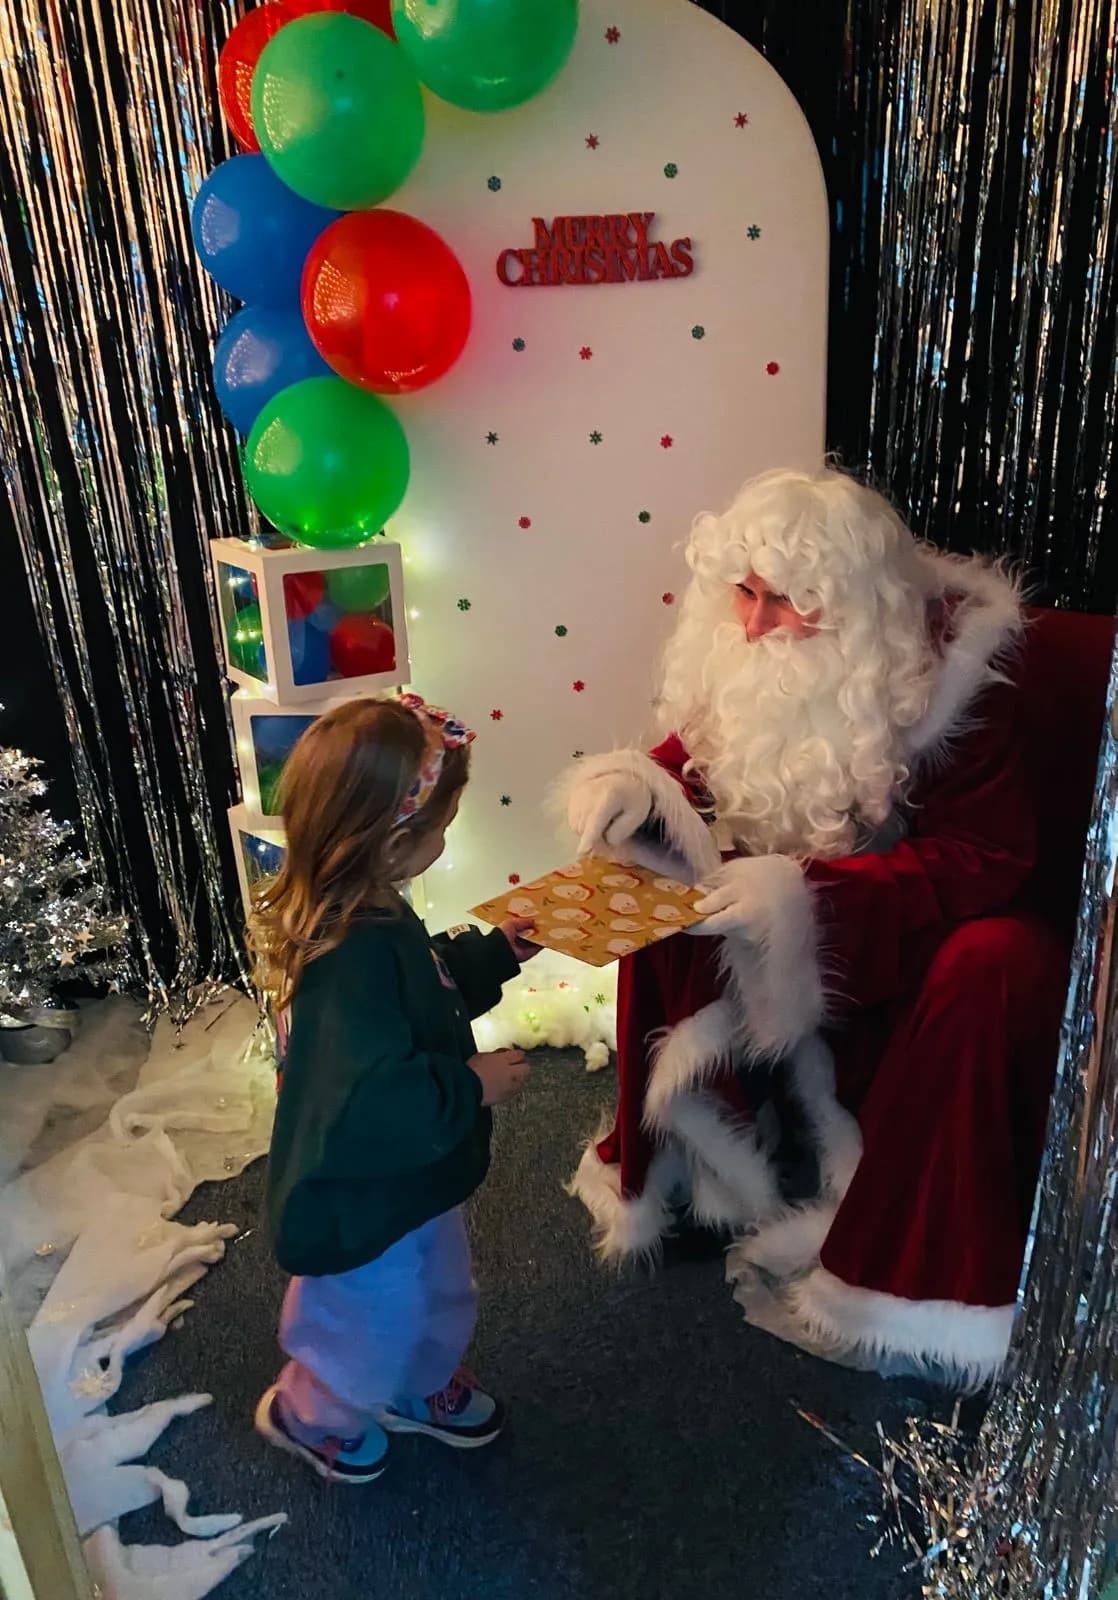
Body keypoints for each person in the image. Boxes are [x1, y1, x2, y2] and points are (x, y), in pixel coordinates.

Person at [561, 466, 1072, 1386]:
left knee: (997, 962)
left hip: (925, 939)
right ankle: (690, 1176)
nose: (754, 625)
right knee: (653, 879)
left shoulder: (953, 681)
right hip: (810, 924)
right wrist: (636, 789)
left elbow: (987, 861)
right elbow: (702, 763)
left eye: (787, 603)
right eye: (744, 594)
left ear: (852, 607)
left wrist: (810, 897)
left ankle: (909, 1273)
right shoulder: (747, 651)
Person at [250, 693, 537, 1483]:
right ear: (394, 839)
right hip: (356, 1192)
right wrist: (470, 1085)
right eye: (440, 823)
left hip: (406, 1177)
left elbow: (431, 991)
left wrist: (496, 954)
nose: (447, 837)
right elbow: (371, 1101)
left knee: (438, 1285)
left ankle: (417, 1383)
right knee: (366, 1313)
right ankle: (313, 1411)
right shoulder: (350, 957)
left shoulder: (374, 912)